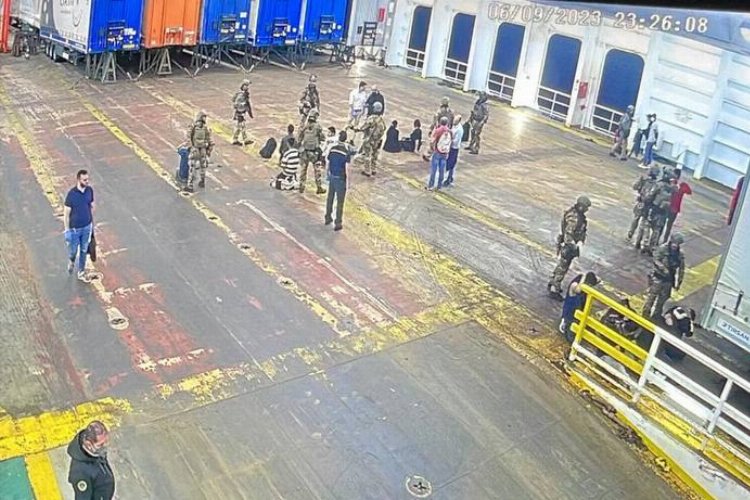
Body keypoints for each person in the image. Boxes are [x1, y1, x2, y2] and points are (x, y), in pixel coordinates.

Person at [548, 196, 591, 299]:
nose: (587, 209)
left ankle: (553, 282)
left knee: (561, 265)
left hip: (568, 244)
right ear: (581, 206)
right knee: (563, 267)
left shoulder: (576, 215)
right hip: (568, 246)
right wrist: (573, 246)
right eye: (586, 207)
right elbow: (568, 233)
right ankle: (554, 288)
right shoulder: (574, 218)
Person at [67, 421, 115, 500]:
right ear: (88, 445)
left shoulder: (96, 451)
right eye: (101, 444)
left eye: (106, 442)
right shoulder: (80, 473)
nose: (105, 446)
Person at [642, 232, 685, 318]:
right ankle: (645, 316)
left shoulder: (680, 254)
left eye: (677, 244)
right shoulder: (663, 249)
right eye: (674, 243)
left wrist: (679, 282)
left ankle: (655, 317)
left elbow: (681, 269)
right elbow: (656, 259)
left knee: (662, 302)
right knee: (651, 298)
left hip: (668, 280)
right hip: (658, 278)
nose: (675, 245)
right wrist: (662, 268)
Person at [64, 169, 95, 283]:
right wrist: (67, 230)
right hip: (75, 229)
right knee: (73, 251)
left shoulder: (89, 191)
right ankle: (71, 260)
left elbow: (91, 205)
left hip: (87, 227)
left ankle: (81, 271)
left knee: (84, 249)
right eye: (84, 180)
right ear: (78, 180)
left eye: (87, 179)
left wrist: (90, 221)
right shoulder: (71, 195)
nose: (87, 182)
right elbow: (66, 214)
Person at [638, 169, 675, 255]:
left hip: (654, 208)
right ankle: (652, 247)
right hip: (663, 212)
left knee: (646, 226)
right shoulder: (671, 188)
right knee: (656, 230)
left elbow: (650, 195)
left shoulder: (659, 185)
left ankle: (645, 245)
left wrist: (644, 200)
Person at [559, 271, 600, 343]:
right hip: (570, 317)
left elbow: (598, 279)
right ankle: (565, 324)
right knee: (572, 339)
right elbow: (578, 289)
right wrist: (583, 279)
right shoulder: (574, 286)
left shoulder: (584, 286)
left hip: (579, 314)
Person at [324, 130, 352, 231]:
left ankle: (328, 217)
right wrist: (348, 182)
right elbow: (348, 167)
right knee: (340, 202)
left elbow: (328, 161)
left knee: (330, 198)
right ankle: (338, 222)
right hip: (340, 178)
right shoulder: (346, 152)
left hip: (332, 176)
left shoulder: (332, 149)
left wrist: (328, 173)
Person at [627, 165, 660, 242]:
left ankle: (633, 235)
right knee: (640, 221)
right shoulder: (654, 184)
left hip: (644, 204)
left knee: (639, 220)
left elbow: (635, 187)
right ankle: (634, 236)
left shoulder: (653, 184)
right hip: (645, 204)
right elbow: (635, 187)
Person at [296, 109, 326, 194]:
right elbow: (322, 138)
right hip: (314, 153)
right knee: (317, 170)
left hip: (305, 151)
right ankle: (319, 187)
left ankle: (301, 186)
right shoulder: (317, 127)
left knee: (303, 170)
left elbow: (299, 138)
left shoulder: (305, 126)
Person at [353, 101, 386, 177]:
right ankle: (373, 169)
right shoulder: (381, 120)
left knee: (367, 155)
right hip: (378, 141)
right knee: (375, 155)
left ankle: (367, 171)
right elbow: (384, 129)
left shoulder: (371, 118)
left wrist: (355, 128)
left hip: (369, 140)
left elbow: (363, 127)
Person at [184, 110, 214, 193]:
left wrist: (190, 147)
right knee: (203, 166)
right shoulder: (206, 128)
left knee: (192, 167)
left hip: (195, 149)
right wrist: (209, 151)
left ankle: (190, 185)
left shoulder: (193, 127)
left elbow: (188, 138)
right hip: (203, 149)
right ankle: (202, 181)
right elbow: (210, 141)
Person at [662, 175, 692, 243]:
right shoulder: (679, 187)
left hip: (669, 208)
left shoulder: (676, 186)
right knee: (668, 226)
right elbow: (689, 191)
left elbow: (689, 192)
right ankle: (664, 240)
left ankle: (664, 240)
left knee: (665, 225)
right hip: (672, 209)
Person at [426, 116, 452, 191]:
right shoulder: (450, 131)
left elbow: (432, 141)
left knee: (434, 170)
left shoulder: (438, 130)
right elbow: (451, 141)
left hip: (437, 152)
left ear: (440, 122)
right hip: (445, 152)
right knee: (442, 170)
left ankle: (431, 186)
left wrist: (432, 148)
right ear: (447, 123)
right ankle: (439, 186)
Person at [231, 79, 254, 145]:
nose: (247, 87)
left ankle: (237, 139)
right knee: (242, 126)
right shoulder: (241, 94)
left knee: (240, 126)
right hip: (240, 112)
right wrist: (243, 104)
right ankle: (243, 139)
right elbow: (235, 103)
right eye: (246, 85)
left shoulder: (244, 94)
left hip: (242, 112)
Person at [443, 115, 463, 187]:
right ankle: (449, 177)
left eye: (455, 121)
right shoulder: (453, 125)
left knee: (451, 163)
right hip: (450, 146)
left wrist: (448, 141)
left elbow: (456, 141)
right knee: (449, 162)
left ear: (459, 121)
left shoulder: (459, 130)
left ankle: (448, 178)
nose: (454, 122)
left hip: (454, 148)